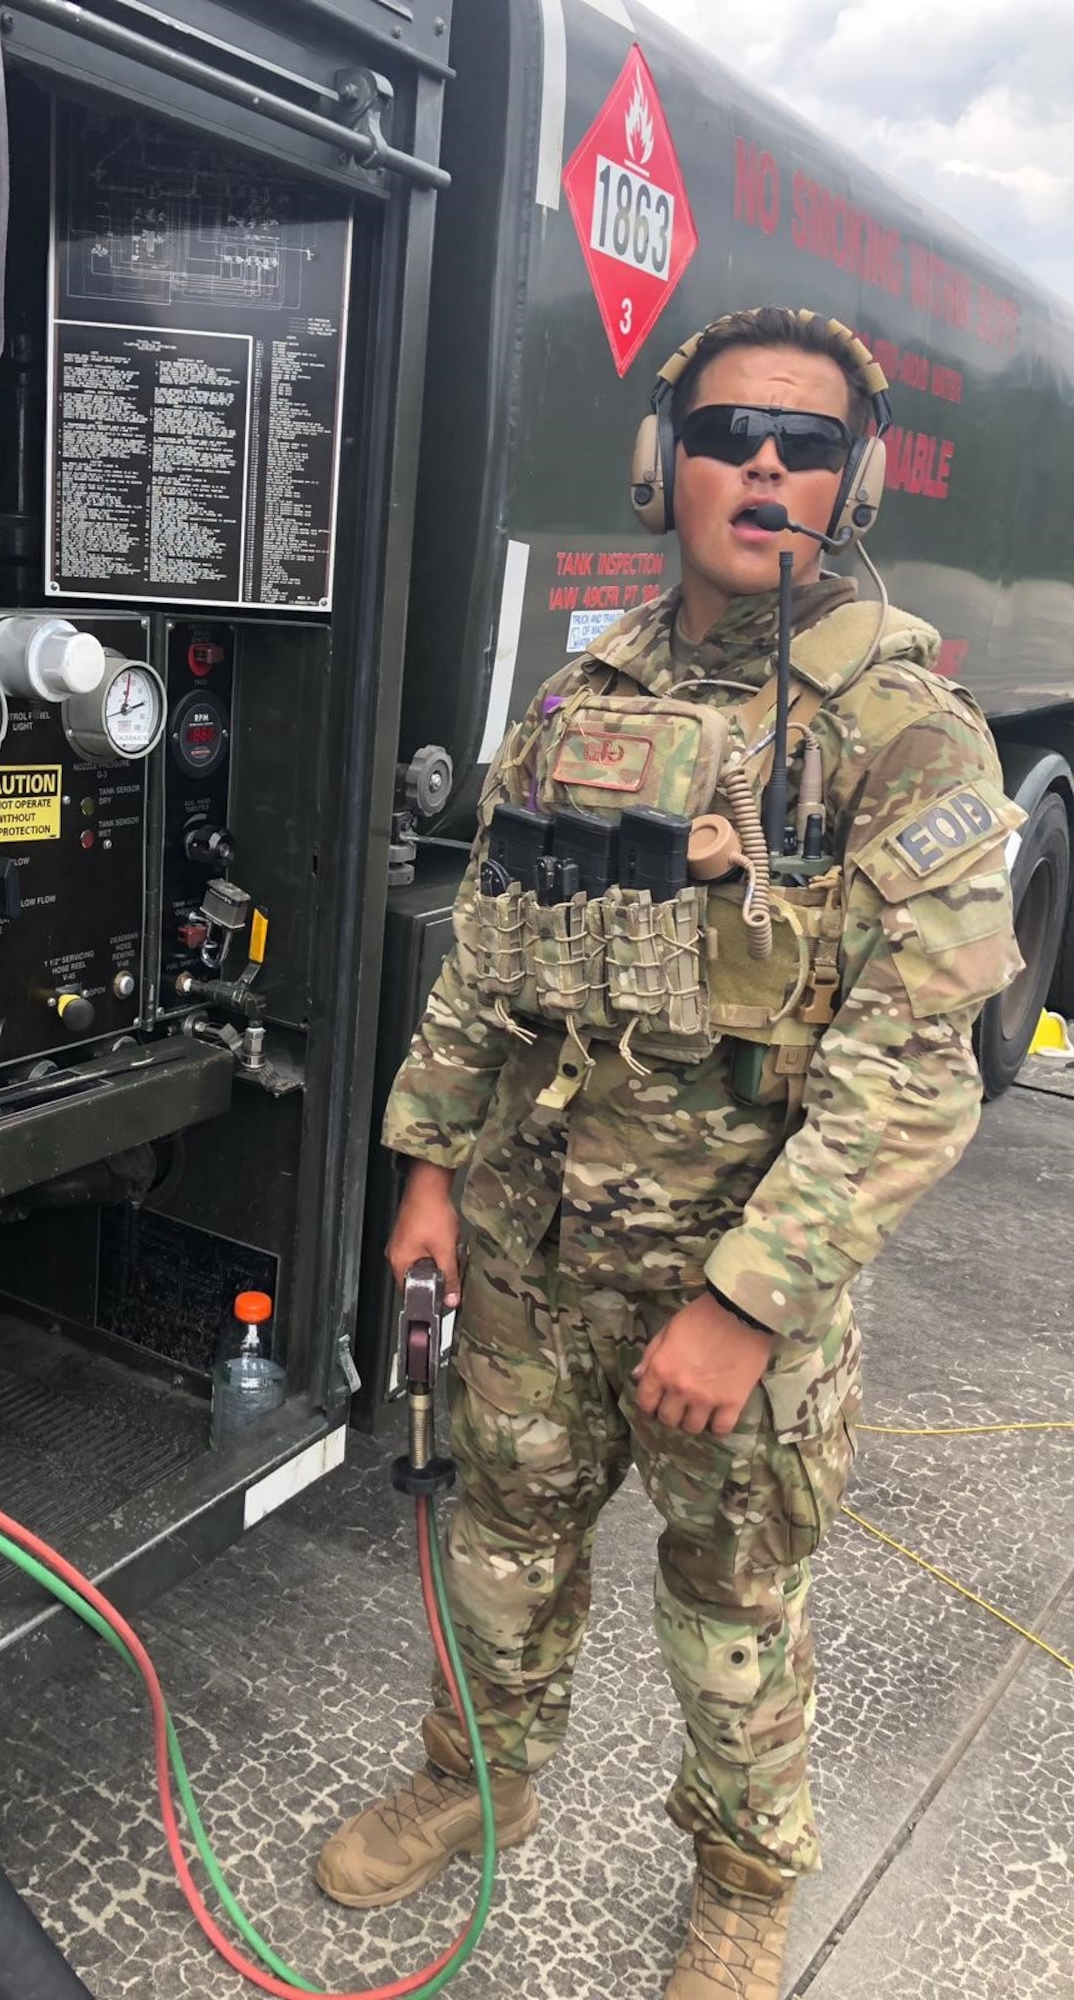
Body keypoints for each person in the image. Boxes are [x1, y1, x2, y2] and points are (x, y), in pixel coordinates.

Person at [316, 307, 1024, 2000]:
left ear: (850, 480)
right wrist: (425, 1172)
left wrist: (749, 1305)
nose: (762, 465)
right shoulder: (583, 696)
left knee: (732, 1617)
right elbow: (493, 954)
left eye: (803, 442)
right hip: (534, 1260)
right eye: (725, 433)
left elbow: (914, 1072)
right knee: (501, 1554)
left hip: (731, 1300)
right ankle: (470, 1783)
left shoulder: (901, 728)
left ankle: (743, 1876)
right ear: (663, 465)